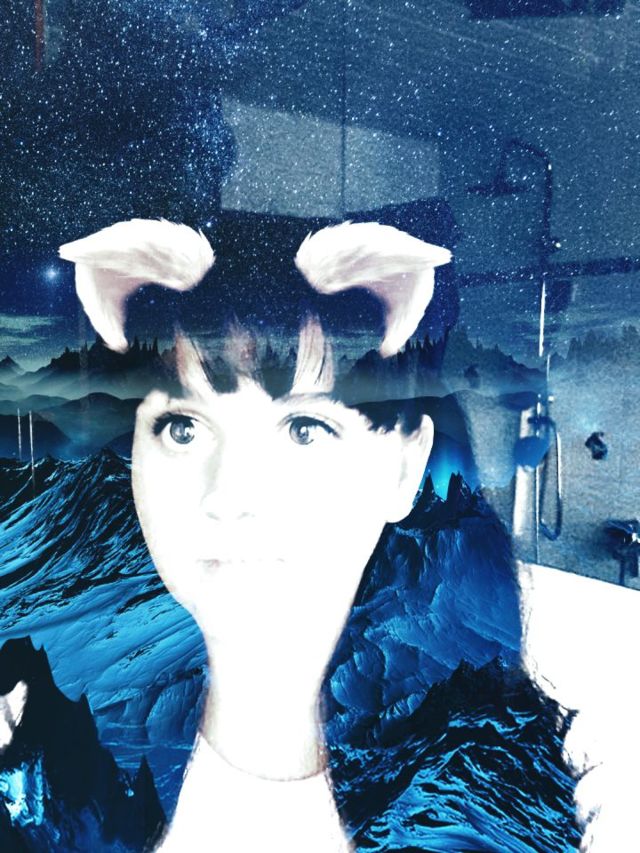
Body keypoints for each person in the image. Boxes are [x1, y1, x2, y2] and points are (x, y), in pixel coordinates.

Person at [27, 216, 578, 851]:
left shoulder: (482, 804)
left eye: (305, 430)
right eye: (183, 429)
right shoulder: (49, 754)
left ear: (403, 467)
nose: (229, 496)